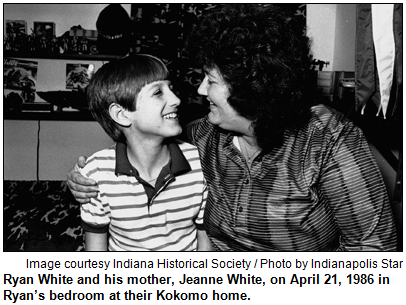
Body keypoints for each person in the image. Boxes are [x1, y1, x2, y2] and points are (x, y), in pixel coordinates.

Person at [68, 4, 397, 251]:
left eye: (209, 81)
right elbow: (142, 148)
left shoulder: (325, 138)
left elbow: (375, 248)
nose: (197, 92)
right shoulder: (203, 136)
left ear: (250, 89)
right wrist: (81, 182)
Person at [78, 54, 211, 251]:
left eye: (171, 89)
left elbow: (205, 247)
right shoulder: (96, 173)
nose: (176, 99)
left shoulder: (200, 163)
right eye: (158, 92)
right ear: (121, 114)